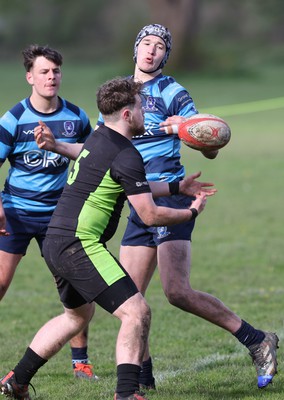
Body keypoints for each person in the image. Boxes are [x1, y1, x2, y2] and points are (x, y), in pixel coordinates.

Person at [33, 25, 279, 391]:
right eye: (146, 43)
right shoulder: (118, 95)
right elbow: (98, 151)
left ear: (166, 55)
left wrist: (189, 131)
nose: (151, 51)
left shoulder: (174, 92)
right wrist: (56, 147)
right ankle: (143, 383)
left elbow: (210, 144)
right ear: (136, 49)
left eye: (160, 46)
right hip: (137, 200)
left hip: (169, 194)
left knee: (177, 291)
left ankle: (257, 340)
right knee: (131, 299)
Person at [0, 77, 210, 400]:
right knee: (136, 311)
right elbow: (150, 214)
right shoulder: (126, 154)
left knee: (76, 317)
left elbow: (132, 185)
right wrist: (191, 213)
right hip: (78, 244)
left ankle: (18, 379)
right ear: (127, 115)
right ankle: (127, 393)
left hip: (56, 241)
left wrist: (175, 187)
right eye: (140, 107)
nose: (145, 114)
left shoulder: (99, 140)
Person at [0, 44, 98, 381]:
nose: (51, 77)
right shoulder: (14, 119)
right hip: (15, 213)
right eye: (44, 71)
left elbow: (92, 157)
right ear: (30, 77)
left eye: (56, 71)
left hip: (59, 218)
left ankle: (80, 363)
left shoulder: (76, 117)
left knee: (77, 287)